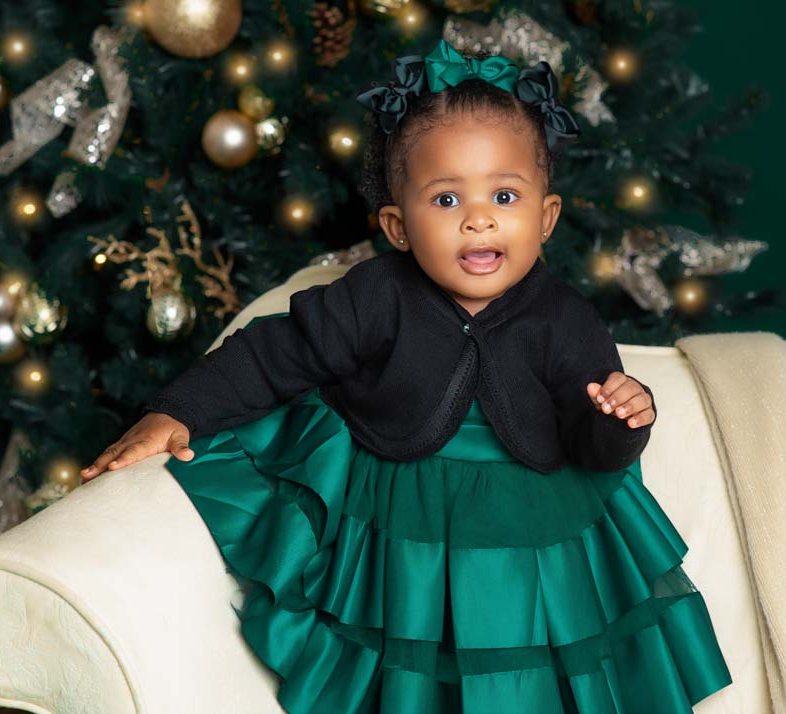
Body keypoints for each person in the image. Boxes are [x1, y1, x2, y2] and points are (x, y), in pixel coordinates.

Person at [80, 39, 732, 714]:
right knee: (411, 668)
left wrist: (623, 418)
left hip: (531, 520)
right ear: (398, 226)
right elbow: (274, 354)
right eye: (446, 199)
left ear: (545, 217)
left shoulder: (565, 320)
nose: (478, 217)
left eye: (504, 195)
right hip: (404, 514)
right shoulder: (373, 298)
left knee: (526, 664)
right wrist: (176, 412)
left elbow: (596, 447)